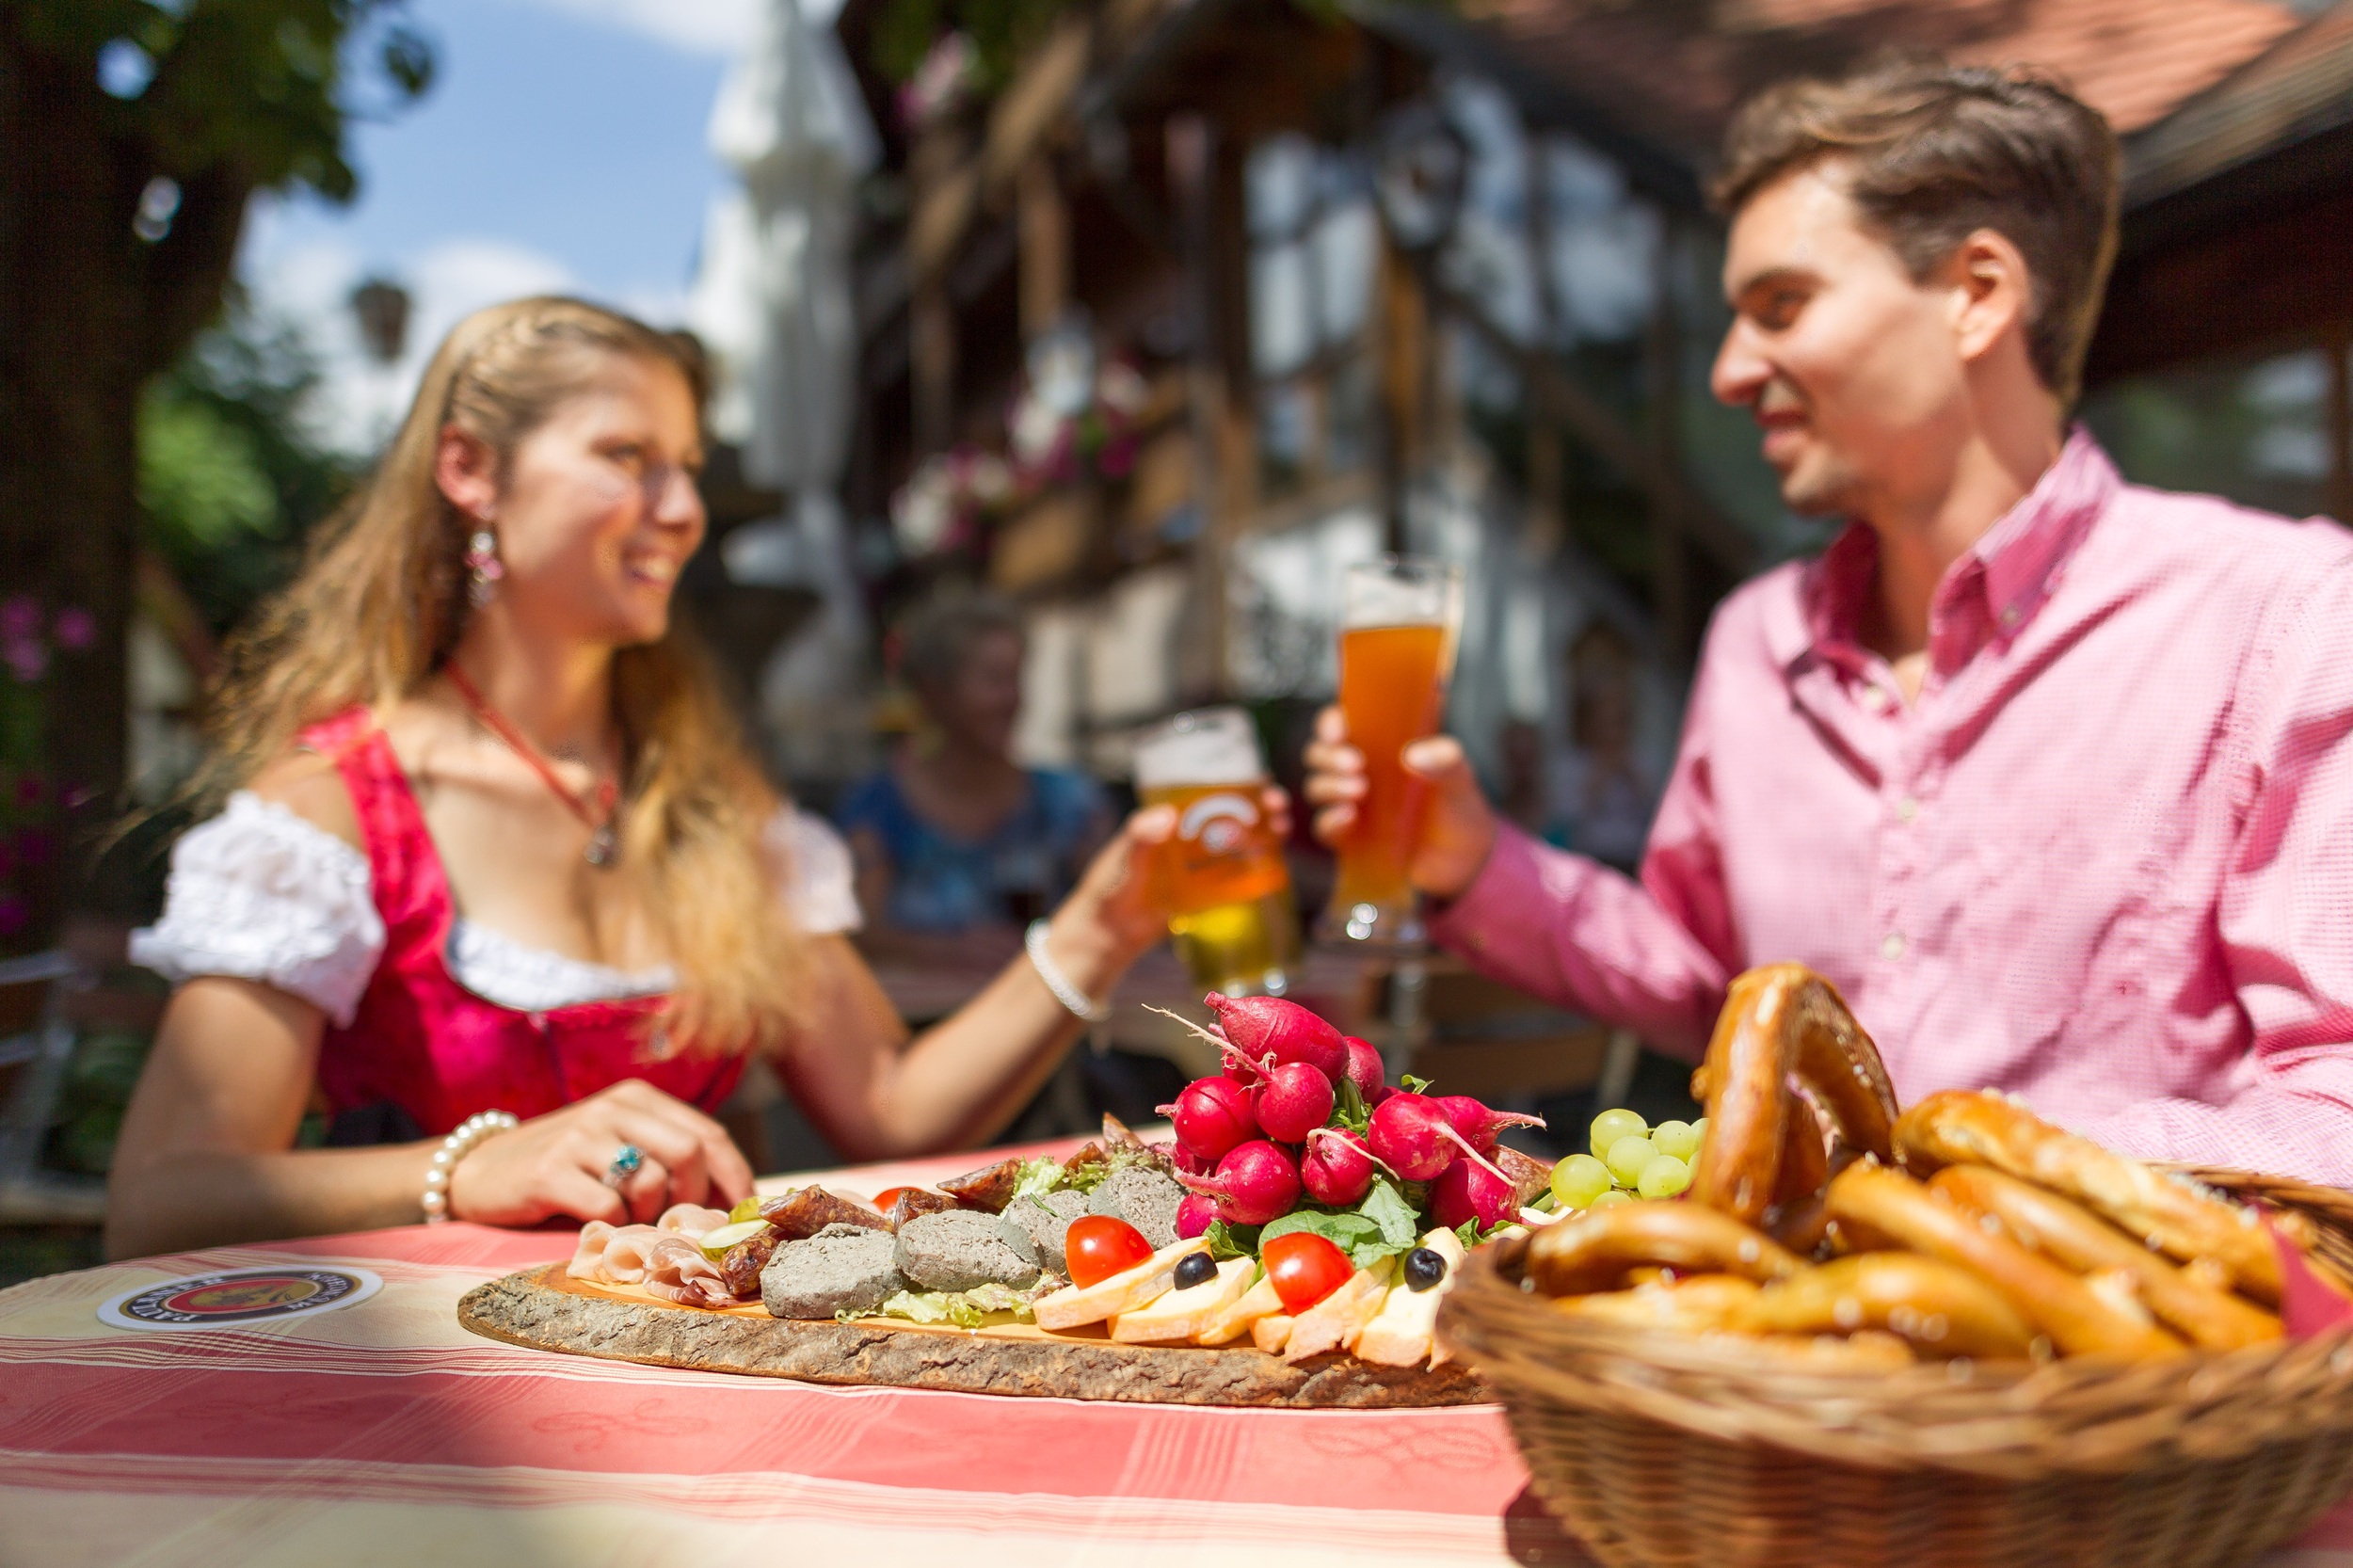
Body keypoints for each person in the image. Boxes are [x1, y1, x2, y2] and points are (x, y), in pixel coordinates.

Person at [1305, 61, 2353, 1186]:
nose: (1726, 370)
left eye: (1780, 307)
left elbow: (2332, 1105)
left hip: (2118, 1348)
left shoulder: (2282, 616)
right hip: (1780, 1349)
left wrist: (1955, 1180)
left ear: (1977, 294)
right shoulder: (1756, 640)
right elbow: (1704, 980)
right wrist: (1474, 863)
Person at [107, 297, 1245, 1258]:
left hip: (691, 1373)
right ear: (469, 469)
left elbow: (889, 1106)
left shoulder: (711, 803)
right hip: (435, 1419)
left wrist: (1099, 926)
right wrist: (471, 1163)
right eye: (626, 457)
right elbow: (159, 1201)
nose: (684, 508)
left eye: (688, 468)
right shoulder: (334, 809)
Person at [836, 591, 1111, 970]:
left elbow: (1117, 912)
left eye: (1016, 678)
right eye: (994, 680)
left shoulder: (1068, 799)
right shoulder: (878, 807)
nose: (1012, 699)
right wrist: (945, 951)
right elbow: (857, 936)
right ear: (934, 693)